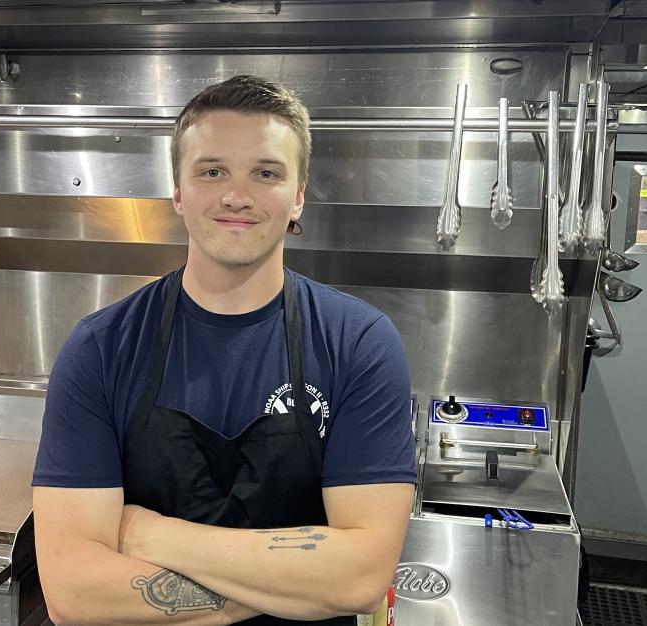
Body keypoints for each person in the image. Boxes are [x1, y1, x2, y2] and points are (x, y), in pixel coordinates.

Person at [32, 75, 416, 625]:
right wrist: (299, 587)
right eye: (212, 171)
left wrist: (149, 532)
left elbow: (361, 579)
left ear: (298, 194)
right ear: (179, 192)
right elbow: (73, 593)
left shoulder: (358, 343)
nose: (237, 196)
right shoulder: (100, 348)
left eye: (266, 173)